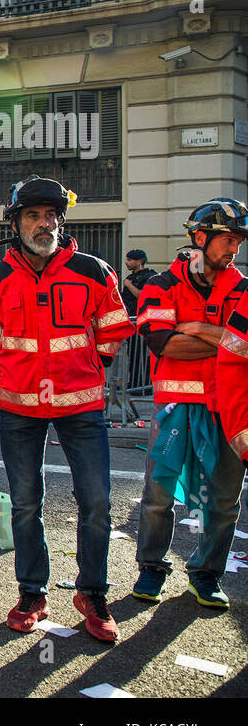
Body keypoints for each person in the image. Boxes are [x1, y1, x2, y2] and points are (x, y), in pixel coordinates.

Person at [0, 175, 136, 641]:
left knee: (98, 502)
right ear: (16, 223)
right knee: (26, 503)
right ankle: (32, 592)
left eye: (51, 216)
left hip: (82, 408)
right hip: (18, 409)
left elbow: (112, 333)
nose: (44, 224)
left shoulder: (94, 271)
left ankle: (92, 593)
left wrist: (85, 368)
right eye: (33, 216)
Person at [134, 200, 248, 610]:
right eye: (227, 239)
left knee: (223, 499)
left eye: (238, 241)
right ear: (200, 237)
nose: (233, 248)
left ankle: (206, 574)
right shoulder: (162, 284)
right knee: (158, 496)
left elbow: (245, 346)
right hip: (174, 407)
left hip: (228, 408)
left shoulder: (244, 288)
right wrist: (225, 340)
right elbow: (162, 343)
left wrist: (198, 327)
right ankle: (151, 567)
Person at [121, 249, 158, 317]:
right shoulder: (130, 277)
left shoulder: (150, 276)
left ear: (139, 262)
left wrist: (129, 285)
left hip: (142, 316)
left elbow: (143, 296)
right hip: (129, 315)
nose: (126, 262)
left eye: (129, 260)